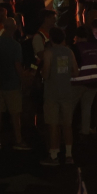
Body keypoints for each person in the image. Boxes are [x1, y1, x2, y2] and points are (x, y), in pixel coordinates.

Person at [40, 26, 77, 166]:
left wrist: (42, 75)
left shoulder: (49, 52)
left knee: (53, 125)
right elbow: (75, 72)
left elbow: (46, 73)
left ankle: (54, 155)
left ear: (50, 38)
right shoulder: (69, 52)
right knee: (67, 125)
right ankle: (69, 155)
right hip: (66, 92)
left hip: (52, 93)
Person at [0, 17, 28, 150]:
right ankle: (18, 140)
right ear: (14, 28)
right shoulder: (15, 45)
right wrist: (24, 79)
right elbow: (17, 66)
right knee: (15, 113)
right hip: (12, 83)